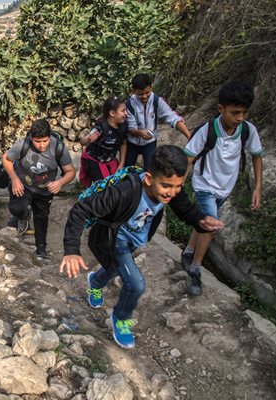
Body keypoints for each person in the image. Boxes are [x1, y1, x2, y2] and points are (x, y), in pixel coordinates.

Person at [59, 145, 223, 349]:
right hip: (112, 239)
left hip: (132, 239)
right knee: (136, 284)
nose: (172, 193)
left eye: (178, 186)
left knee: (113, 268)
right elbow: (81, 209)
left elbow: (184, 209)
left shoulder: (168, 187)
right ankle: (121, 318)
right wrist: (72, 250)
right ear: (148, 178)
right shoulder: (124, 192)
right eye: (167, 187)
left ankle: (95, 282)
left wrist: (200, 220)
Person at [181, 81, 263, 295]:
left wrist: (257, 188)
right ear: (221, 109)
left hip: (225, 187)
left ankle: (188, 251)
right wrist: (178, 184)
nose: (240, 118)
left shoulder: (247, 130)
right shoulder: (207, 131)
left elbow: (257, 155)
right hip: (204, 185)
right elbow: (188, 157)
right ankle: (195, 270)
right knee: (211, 224)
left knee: (203, 220)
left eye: (244, 112)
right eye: (235, 112)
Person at [2, 118, 76, 259]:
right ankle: (22, 217)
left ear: (49, 137)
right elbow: (6, 159)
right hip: (23, 186)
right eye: (37, 141)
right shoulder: (22, 145)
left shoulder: (58, 148)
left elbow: (71, 172)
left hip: (45, 191)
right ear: (31, 137)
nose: (41, 145)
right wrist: (14, 178)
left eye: (45, 141)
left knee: (41, 219)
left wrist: (60, 183)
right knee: (18, 208)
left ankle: (41, 251)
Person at [125, 73, 191, 167]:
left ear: (151, 88)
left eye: (147, 93)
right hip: (132, 143)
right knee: (128, 168)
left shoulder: (157, 101)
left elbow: (172, 117)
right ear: (134, 91)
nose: (144, 96)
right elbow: (131, 129)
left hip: (150, 142)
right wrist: (140, 133)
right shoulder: (129, 105)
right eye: (140, 94)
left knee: (150, 169)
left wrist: (190, 137)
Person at [79, 96, 128, 187]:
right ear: (112, 113)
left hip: (110, 160)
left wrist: (121, 164)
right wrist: (89, 138)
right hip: (94, 161)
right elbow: (82, 142)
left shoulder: (123, 125)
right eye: (123, 111)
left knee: (117, 184)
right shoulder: (101, 127)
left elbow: (123, 144)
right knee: (104, 187)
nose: (126, 113)